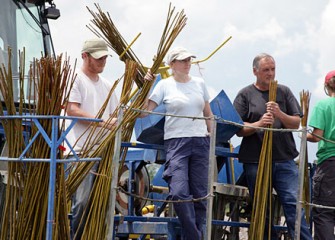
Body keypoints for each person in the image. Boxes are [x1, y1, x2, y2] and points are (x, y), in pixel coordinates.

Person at [233, 53, 312, 240]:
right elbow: (237, 129)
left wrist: (279, 114)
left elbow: (295, 123)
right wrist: (259, 123)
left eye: (273, 69)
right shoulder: (245, 94)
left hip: (284, 159)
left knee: (294, 204)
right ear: (255, 71)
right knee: (262, 207)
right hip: (255, 160)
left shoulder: (283, 92)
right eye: (266, 70)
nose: (270, 73)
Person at [142, 47, 213, 240]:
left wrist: (211, 138)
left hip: (200, 141)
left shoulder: (199, 83)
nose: (188, 63)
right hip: (176, 142)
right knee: (179, 192)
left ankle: (193, 235)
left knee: (200, 195)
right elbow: (143, 112)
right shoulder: (164, 85)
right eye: (183, 60)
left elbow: (208, 113)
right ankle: (194, 236)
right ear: (172, 64)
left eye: (189, 60)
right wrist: (146, 86)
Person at [65, 38, 119, 239]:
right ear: (85, 56)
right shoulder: (76, 79)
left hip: (102, 153)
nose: (103, 61)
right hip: (79, 152)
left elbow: (116, 114)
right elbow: (72, 109)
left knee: (101, 204)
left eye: (105, 57)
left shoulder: (107, 85)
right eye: (98, 58)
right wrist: (101, 121)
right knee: (83, 202)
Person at [306, 70, 335, 240]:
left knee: (324, 213)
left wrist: (304, 134)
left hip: (330, 164)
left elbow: (316, 136)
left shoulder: (323, 105)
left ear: (326, 86)